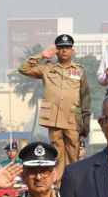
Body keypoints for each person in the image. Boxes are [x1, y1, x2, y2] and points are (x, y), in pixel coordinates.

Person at [18, 34, 91, 184]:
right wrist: (41, 55)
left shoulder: (80, 70)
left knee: (73, 154)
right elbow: (23, 69)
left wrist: (86, 121)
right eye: (61, 47)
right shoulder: (47, 68)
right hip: (55, 118)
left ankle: (74, 185)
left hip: (72, 119)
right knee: (57, 154)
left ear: (72, 50)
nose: (64, 50)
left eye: (67, 47)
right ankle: (58, 186)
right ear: (56, 50)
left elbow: (85, 96)